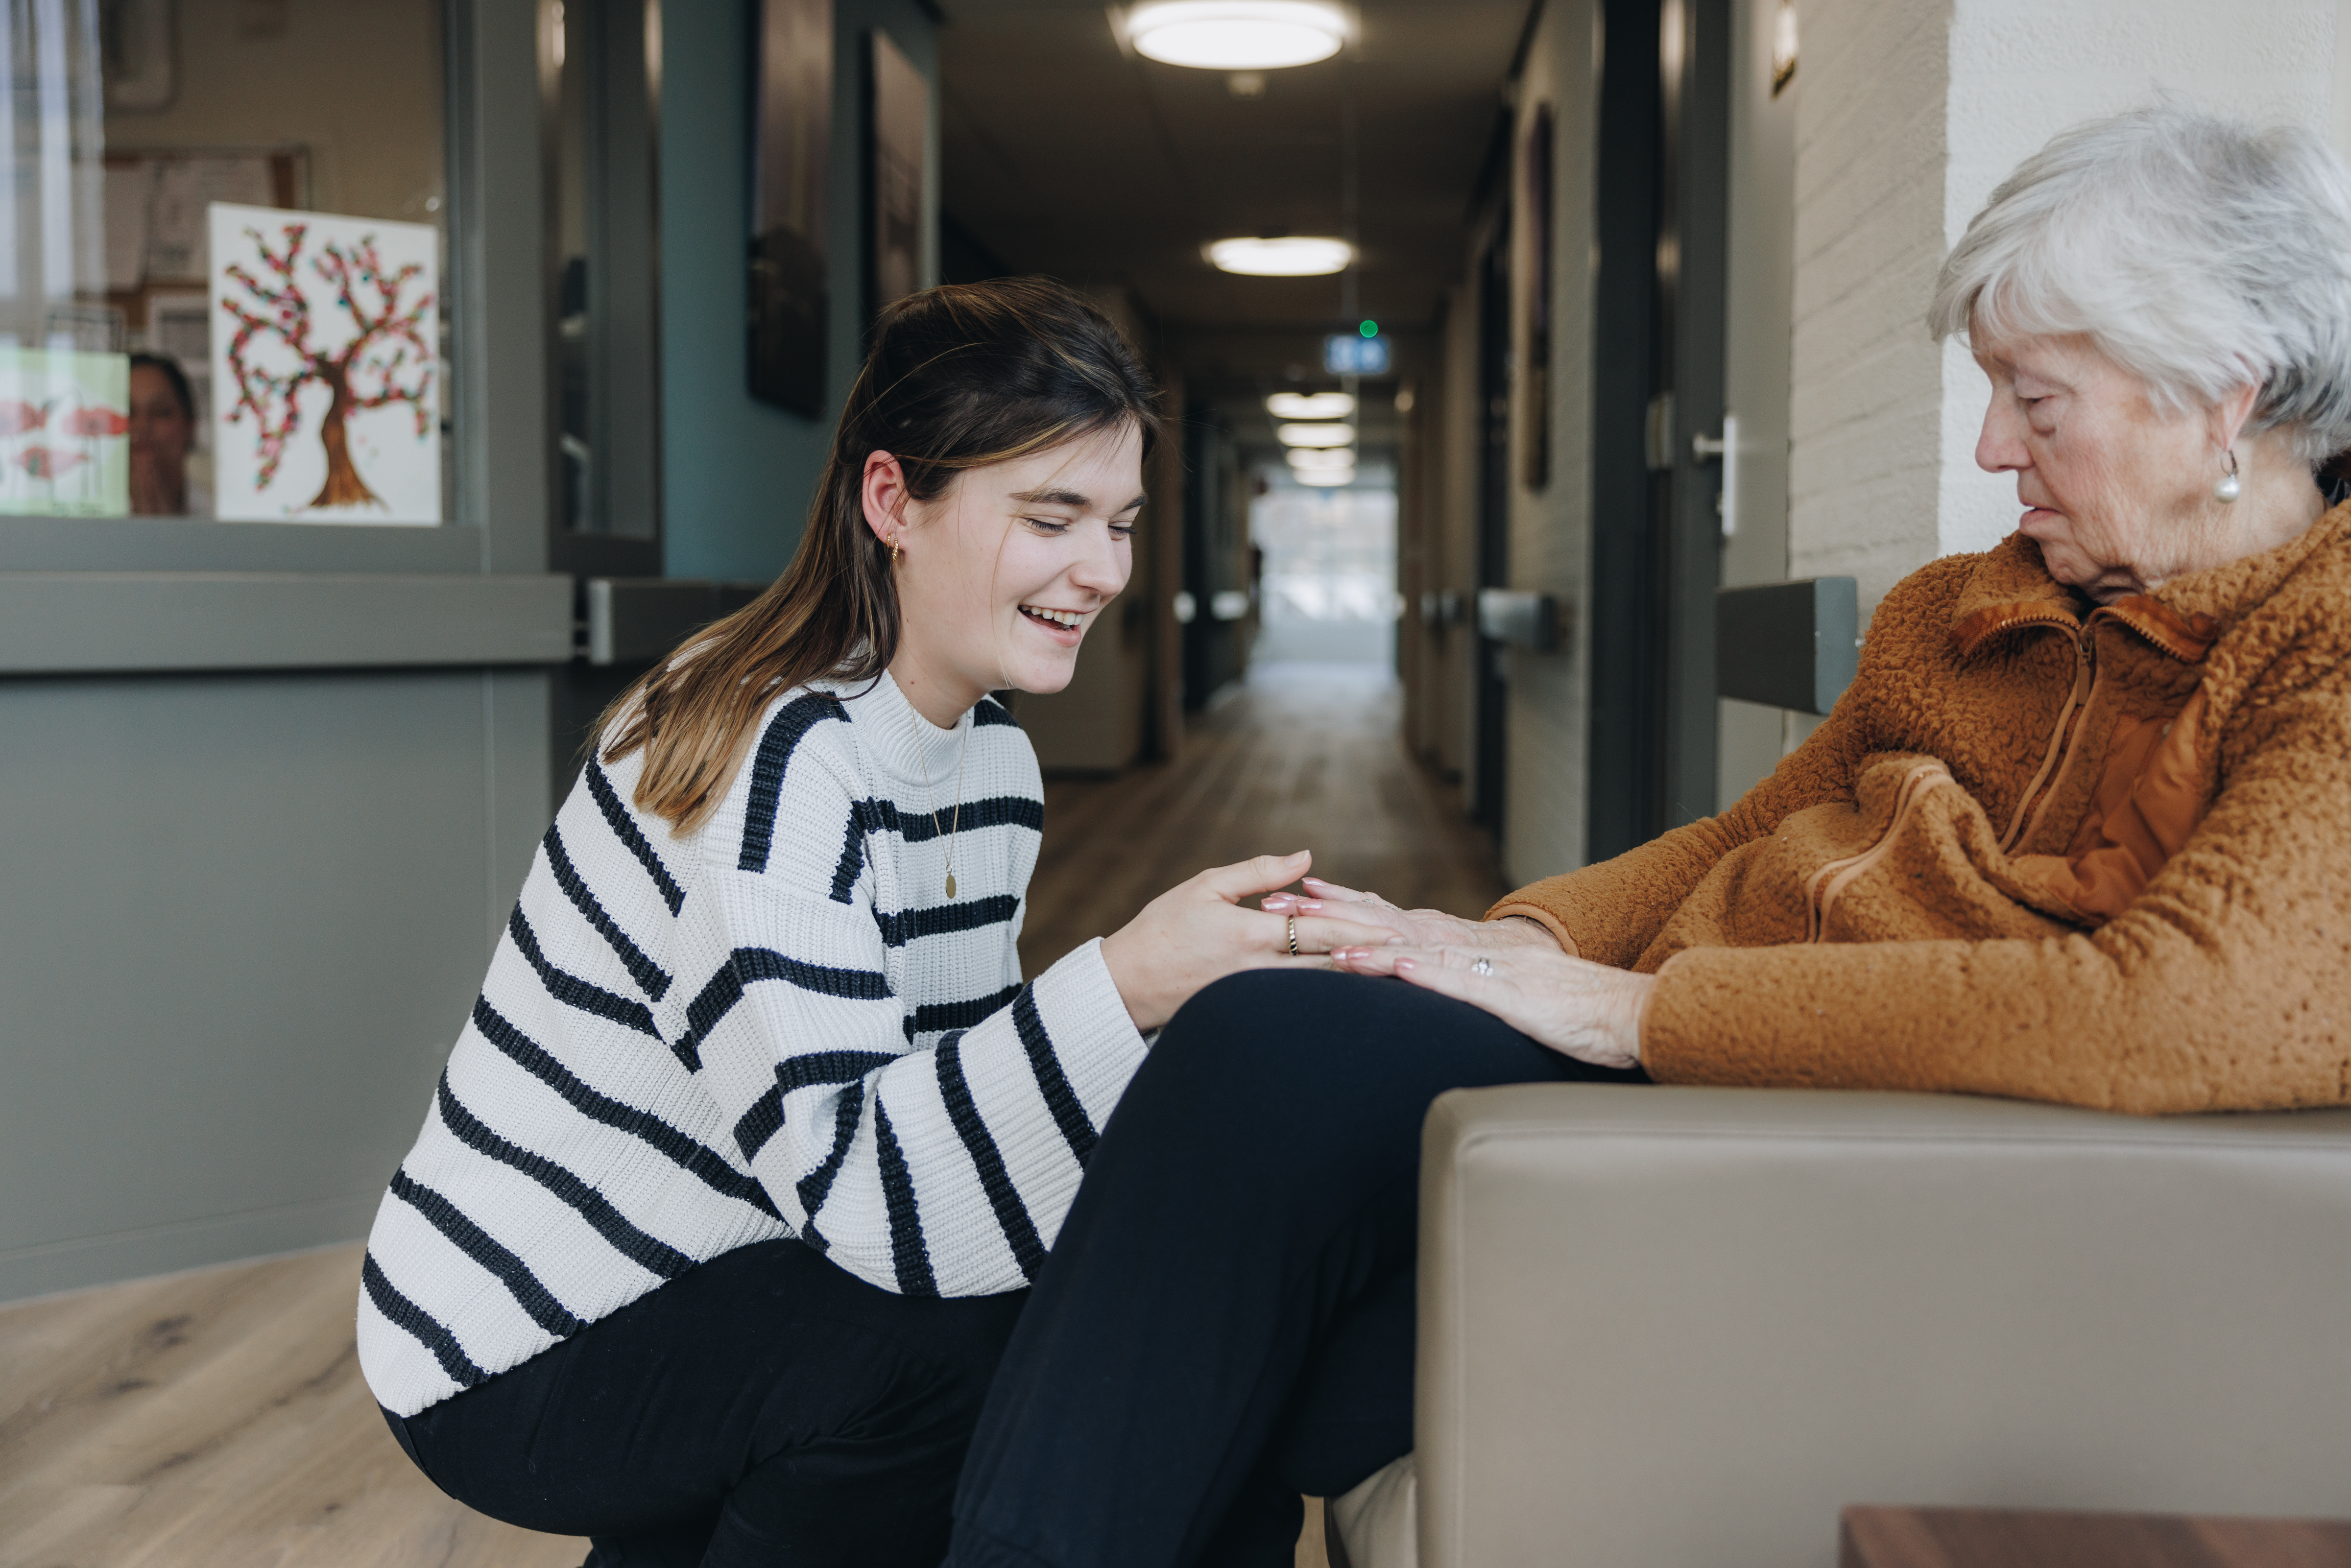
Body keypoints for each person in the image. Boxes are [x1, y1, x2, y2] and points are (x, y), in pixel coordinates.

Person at [943, 105, 2351, 1568]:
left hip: (1826, 1109)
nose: (1994, 445)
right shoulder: (1964, 605)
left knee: (1256, 1079)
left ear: (2217, 401)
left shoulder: (2321, 639)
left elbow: (2189, 1011)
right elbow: (1749, 828)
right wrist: (1511, 941)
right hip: (1696, 1045)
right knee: (1278, 1122)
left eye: (2035, 400)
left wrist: (1642, 1012)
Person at [357, 277, 1391, 1568]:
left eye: (1120, 523)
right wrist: (1125, 985)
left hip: (727, 1261)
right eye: (1052, 516)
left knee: (1087, 1343)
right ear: (895, 501)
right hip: (522, 1331)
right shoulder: (775, 757)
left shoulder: (986, 764)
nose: (1105, 569)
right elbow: (867, 1193)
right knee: (946, 1375)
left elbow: (946, 1113)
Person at [127, 352, 205, 516]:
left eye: (161, 412)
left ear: (190, 425)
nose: (143, 426)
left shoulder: (220, 517)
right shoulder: (82, 520)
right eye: (128, 411)